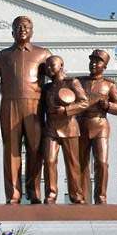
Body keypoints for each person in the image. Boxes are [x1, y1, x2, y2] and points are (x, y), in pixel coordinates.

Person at [0, 16, 52, 204]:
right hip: (9, 105)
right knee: (11, 151)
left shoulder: (43, 54)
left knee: (35, 150)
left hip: (34, 107)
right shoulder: (2, 56)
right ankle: (13, 194)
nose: (22, 30)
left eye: (26, 27)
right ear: (12, 31)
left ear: (32, 31)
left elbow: (57, 77)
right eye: (18, 27)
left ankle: (33, 192)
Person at [77, 49, 117, 203]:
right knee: (81, 163)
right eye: (92, 61)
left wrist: (108, 105)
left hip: (100, 125)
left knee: (102, 163)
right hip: (82, 124)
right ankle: (82, 197)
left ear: (104, 66)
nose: (93, 64)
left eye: (98, 62)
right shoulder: (80, 82)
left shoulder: (109, 85)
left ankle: (100, 197)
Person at [42, 55, 88, 204]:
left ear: (61, 65)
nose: (49, 69)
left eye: (52, 65)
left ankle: (76, 195)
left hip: (69, 127)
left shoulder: (72, 82)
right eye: (47, 66)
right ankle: (51, 194)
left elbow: (84, 103)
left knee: (72, 162)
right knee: (49, 161)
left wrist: (67, 110)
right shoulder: (47, 87)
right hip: (51, 128)